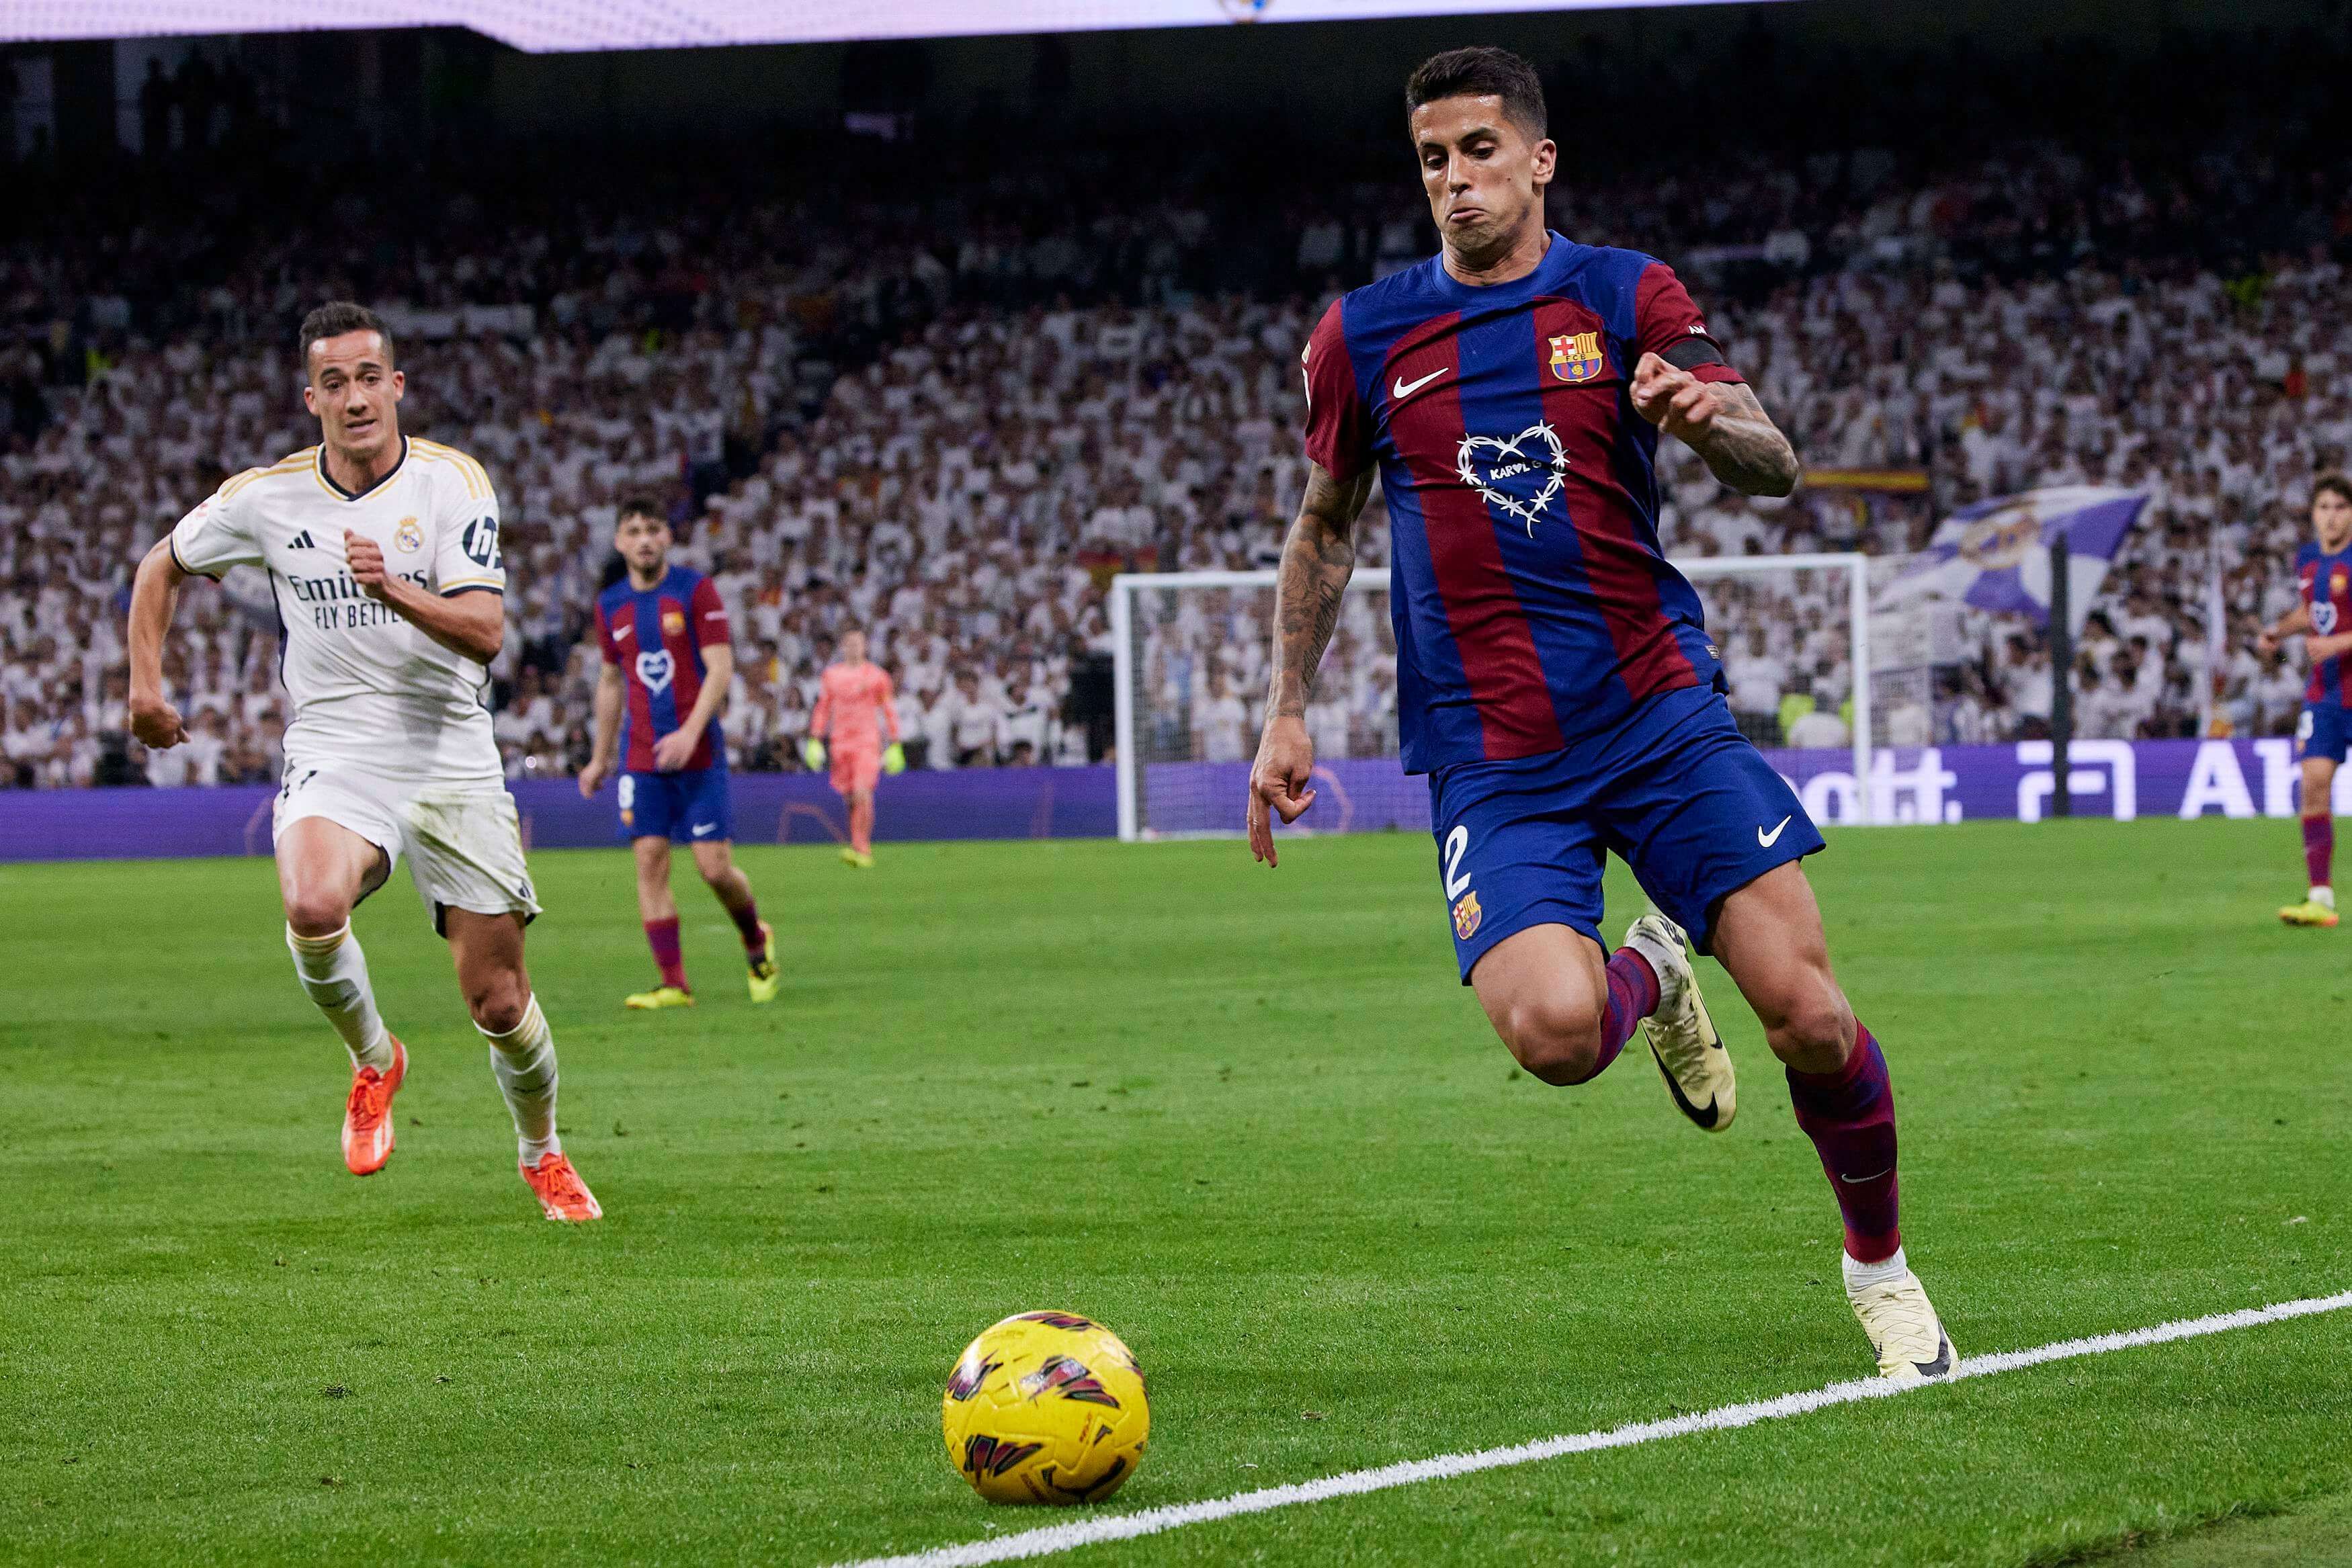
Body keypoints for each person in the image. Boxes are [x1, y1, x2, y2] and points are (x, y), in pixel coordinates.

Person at [1247, 48, 1953, 1381]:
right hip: (1491, 755)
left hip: (1654, 715)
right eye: (1432, 160)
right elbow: (1325, 522)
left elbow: (1773, 462)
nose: (1454, 180)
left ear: (1538, 159)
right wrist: (1286, 708)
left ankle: (1881, 1274)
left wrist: (1698, 419)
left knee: (1806, 1012)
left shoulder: (1626, 295)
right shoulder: (1365, 334)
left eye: (1477, 151)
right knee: (1561, 1037)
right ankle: (1650, 981)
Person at [125, 301, 599, 1222]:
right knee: (310, 900)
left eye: (368, 377)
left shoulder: (452, 484)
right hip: (337, 744)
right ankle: (376, 1057)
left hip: (448, 746)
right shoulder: (268, 496)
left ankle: (540, 1151)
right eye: (334, 383)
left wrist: (395, 586)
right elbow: (160, 566)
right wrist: (145, 685)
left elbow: (489, 631)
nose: (354, 398)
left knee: (499, 1000)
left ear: (397, 386)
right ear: (312, 398)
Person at [579, 496, 780, 1008]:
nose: (645, 539)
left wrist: (691, 731)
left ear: (668, 537)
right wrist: (600, 757)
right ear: (621, 541)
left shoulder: (695, 590)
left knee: (714, 869)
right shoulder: (610, 605)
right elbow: (609, 682)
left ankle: (756, 939)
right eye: (634, 531)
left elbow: (720, 667)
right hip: (641, 757)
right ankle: (674, 984)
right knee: (649, 859)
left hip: (699, 753)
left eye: (653, 529)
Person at [2256, 473, 2352, 927]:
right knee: (2314, 784)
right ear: (2313, 514)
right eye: (2324, 507)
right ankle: (2320, 898)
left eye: (2340, 507)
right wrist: (2280, 629)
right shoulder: (2308, 560)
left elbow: (2333, 631)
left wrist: (2337, 645)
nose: (2331, 515)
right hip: (2326, 695)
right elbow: (2310, 613)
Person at [805, 628, 903, 868]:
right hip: (841, 743)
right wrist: (815, 739)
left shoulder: (877, 676)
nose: (853, 648)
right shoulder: (831, 676)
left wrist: (895, 743)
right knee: (850, 798)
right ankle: (856, 844)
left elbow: (888, 709)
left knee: (863, 792)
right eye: (849, 643)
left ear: (865, 646)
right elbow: (823, 707)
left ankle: (863, 849)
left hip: (867, 741)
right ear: (842, 647)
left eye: (858, 643)